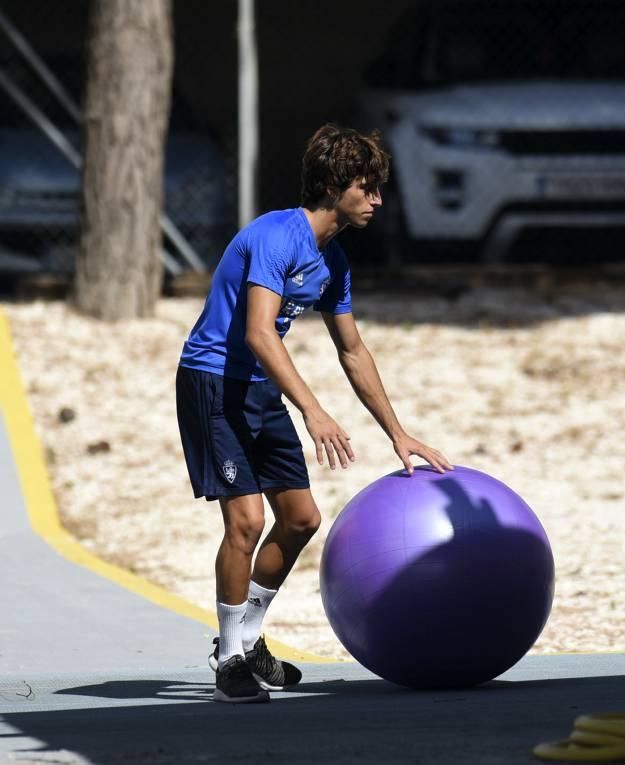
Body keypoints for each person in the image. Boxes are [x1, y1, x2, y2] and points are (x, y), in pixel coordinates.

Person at [175, 124, 453, 704]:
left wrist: (397, 434)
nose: (376, 199)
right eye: (365, 187)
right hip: (212, 383)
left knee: (301, 519)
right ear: (331, 186)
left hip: (258, 388)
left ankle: (250, 641)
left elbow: (352, 350)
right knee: (246, 523)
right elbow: (257, 332)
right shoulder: (276, 237)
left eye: (378, 188)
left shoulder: (333, 262)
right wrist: (313, 410)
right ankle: (228, 659)